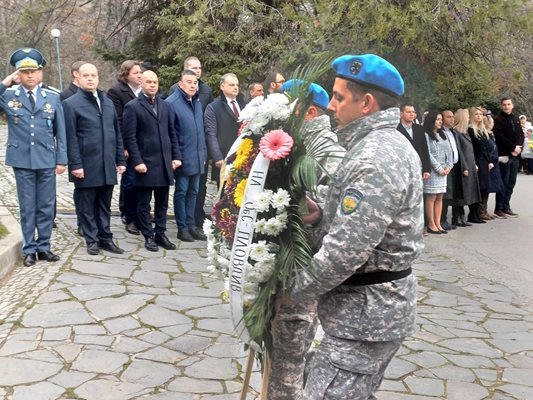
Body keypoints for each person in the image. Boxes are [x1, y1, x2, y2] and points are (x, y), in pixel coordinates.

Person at [291, 54, 423, 399]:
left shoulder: (376, 157)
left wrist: (291, 290)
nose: (331, 106)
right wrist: (321, 215)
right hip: (362, 314)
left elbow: (344, 251)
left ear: (366, 103)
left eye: (338, 97)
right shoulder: (371, 146)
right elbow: (356, 225)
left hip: (366, 317)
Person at [268, 79, 345, 400]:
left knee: (288, 368)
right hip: (290, 267)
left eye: (290, 106)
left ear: (309, 112)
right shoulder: (295, 143)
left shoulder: (327, 149)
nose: (283, 113)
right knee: (283, 359)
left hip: (304, 270)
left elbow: (339, 208)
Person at [0, 48, 67, 267]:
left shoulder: (53, 97)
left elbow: (61, 132)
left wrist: (61, 159)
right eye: (24, 71)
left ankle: (44, 246)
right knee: (27, 206)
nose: (29, 75)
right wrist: (7, 81)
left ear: (41, 74)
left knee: (46, 205)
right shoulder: (9, 96)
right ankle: (29, 249)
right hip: (21, 159)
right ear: (18, 74)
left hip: (46, 157)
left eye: (33, 71)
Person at [63, 63, 126, 255]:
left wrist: (120, 159)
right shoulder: (71, 104)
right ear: (78, 78)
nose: (90, 79)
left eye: (94, 75)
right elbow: (70, 137)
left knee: (104, 204)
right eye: (86, 75)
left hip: (107, 163)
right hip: (86, 164)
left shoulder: (106, 102)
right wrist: (75, 164)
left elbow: (116, 133)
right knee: (87, 205)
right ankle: (92, 240)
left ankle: (105, 237)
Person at [122, 70, 182, 252]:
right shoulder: (133, 106)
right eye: (148, 82)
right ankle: (148, 235)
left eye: (155, 82)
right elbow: (130, 137)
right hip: (145, 163)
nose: (152, 85)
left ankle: (160, 233)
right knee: (144, 203)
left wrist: (176, 156)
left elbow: (172, 133)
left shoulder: (165, 106)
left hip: (164, 162)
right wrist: (137, 161)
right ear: (142, 83)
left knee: (163, 202)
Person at [165, 69, 208, 242]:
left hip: (197, 156)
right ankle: (182, 227)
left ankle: (191, 225)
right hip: (182, 156)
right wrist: (175, 157)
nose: (192, 85)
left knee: (194, 191)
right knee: (181, 192)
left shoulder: (196, 101)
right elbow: (170, 134)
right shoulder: (172, 103)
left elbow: (201, 131)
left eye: (195, 82)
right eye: (189, 82)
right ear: (180, 84)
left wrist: (203, 153)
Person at [107, 60, 143, 235]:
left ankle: (140, 214)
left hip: (145, 145)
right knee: (129, 182)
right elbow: (118, 121)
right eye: (135, 72)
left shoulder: (145, 91)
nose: (140, 75)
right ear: (126, 74)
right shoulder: (116, 92)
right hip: (128, 145)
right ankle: (129, 216)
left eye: (140, 72)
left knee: (142, 182)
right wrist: (123, 147)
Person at [204, 73, 246, 187]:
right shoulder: (213, 107)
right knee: (224, 192)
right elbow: (211, 134)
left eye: (237, 85)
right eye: (231, 85)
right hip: (225, 155)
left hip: (244, 154)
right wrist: (217, 157)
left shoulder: (244, 104)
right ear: (222, 87)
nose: (236, 87)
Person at [450, 108, 483, 224]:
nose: (469, 118)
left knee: (467, 192)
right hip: (462, 167)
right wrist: (465, 167)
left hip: (470, 165)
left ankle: (461, 217)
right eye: (467, 116)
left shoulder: (465, 132)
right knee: (460, 192)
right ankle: (457, 216)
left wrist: (473, 164)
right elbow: (459, 151)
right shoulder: (456, 133)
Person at [493, 97, 523, 218]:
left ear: (512, 105)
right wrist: (513, 148)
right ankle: (499, 208)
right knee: (503, 182)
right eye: (504, 104)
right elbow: (499, 137)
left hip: (515, 156)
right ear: (501, 106)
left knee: (511, 183)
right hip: (504, 155)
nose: (506, 106)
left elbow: (521, 134)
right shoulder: (497, 119)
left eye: (508, 104)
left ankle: (506, 206)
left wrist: (519, 147)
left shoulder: (516, 119)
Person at [423, 111, 453, 234]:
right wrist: (439, 168)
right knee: (432, 196)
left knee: (440, 197)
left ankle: (438, 222)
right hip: (434, 171)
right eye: (438, 119)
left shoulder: (443, 134)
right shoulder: (426, 135)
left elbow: (449, 151)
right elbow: (428, 154)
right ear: (431, 120)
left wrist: (449, 166)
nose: (440, 121)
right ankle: (431, 224)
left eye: (441, 119)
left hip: (444, 171)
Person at [439, 110, 462, 230]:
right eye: (448, 117)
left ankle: (445, 220)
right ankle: (441, 220)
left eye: (453, 117)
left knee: (450, 195)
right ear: (442, 119)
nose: (451, 119)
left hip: (453, 167)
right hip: (444, 168)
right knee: (444, 195)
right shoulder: (440, 132)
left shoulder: (453, 132)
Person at [396, 104, 431, 180]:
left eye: (413, 112)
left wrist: (427, 169)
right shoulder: (395, 130)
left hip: (418, 168)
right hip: (402, 169)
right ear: (401, 114)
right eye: (408, 112)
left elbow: (424, 149)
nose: (412, 114)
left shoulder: (419, 129)